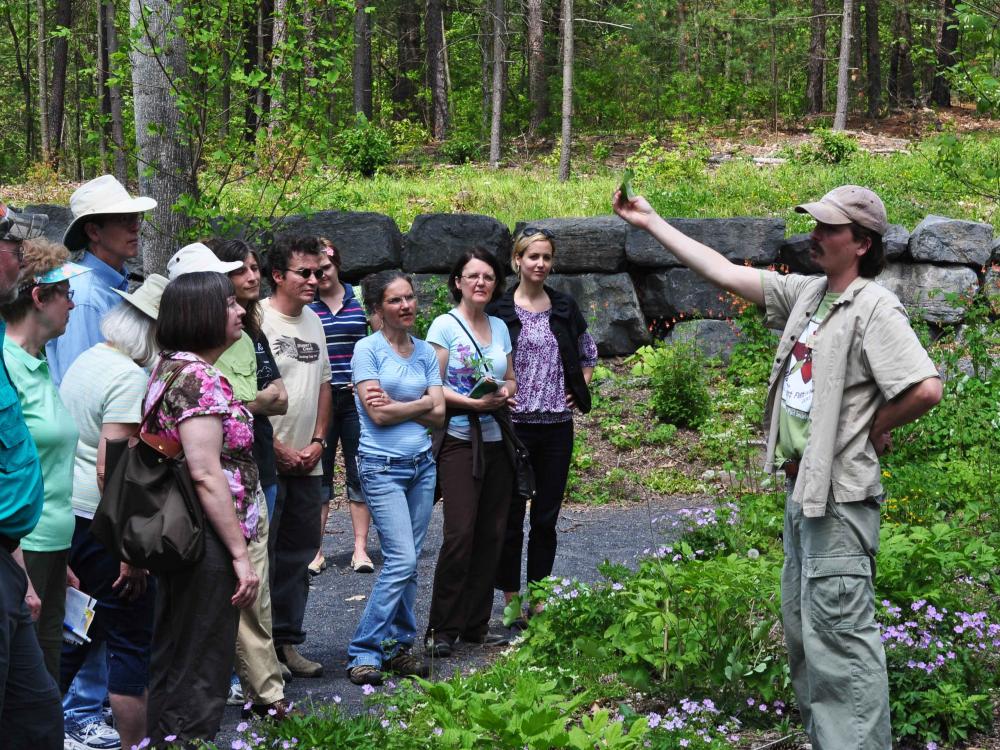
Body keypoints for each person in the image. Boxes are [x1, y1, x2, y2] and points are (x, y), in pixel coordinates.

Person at [613, 185, 943, 750]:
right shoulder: (811, 296)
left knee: (840, 641)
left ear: (861, 243)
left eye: (828, 229)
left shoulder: (874, 306)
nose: (814, 235)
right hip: (805, 492)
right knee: (807, 636)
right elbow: (722, 272)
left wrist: (871, 427)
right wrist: (650, 223)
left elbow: (927, 388)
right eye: (816, 225)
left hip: (838, 499)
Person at [143, 271, 260, 744]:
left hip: (183, 531)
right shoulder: (199, 379)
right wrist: (238, 555)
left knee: (176, 653)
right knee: (202, 661)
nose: (239, 310)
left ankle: (165, 739)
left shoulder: (169, 368)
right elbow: (206, 472)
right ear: (202, 314)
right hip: (206, 537)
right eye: (229, 303)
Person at [59, 276, 167, 750]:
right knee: (127, 639)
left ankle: (33, 727)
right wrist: (131, 551)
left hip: (74, 512)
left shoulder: (93, 357)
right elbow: (113, 469)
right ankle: (133, 745)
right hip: (102, 522)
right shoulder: (128, 376)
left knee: (79, 630)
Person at [487, 228, 597, 623]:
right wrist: (498, 391)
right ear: (517, 261)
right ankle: (511, 597)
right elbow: (485, 358)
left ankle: (540, 596)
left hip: (556, 426)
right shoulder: (499, 311)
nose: (540, 264)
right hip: (515, 427)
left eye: (546, 257)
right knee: (511, 515)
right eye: (532, 256)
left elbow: (589, 352)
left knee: (546, 517)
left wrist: (577, 388)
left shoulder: (564, 307)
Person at [206, 239, 294, 720]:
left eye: (256, 267)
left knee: (257, 583)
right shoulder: (194, 352)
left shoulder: (251, 331)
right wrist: (252, 401)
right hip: (220, 480)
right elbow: (226, 407)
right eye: (241, 270)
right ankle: (260, 692)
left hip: (256, 468)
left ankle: (263, 688)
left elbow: (277, 396)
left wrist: (250, 401)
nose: (252, 277)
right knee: (238, 584)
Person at [346, 271, 444, 686]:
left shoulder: (424, 352)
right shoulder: (366, 350)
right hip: (381, 467)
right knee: (401, 560)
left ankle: (400, 648)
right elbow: (378, 415)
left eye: (410, 298)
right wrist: (420, 402)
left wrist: (403, 403)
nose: (406, 306)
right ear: (378, 309)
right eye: (395, 301)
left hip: (422, 467)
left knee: (410, 564)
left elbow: (440, 415)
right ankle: (364, 650)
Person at [0, 238, 90, 682]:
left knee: (46, 683)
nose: (73, 306)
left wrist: (61, 557)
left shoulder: (37, 365)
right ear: (39, 297)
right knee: (25, 687)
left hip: (51, 550)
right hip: (23, 554)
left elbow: (45, 470)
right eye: (66, 295)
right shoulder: (8, 369)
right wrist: (23, 573)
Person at [424, 249, 517, 657]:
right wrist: (472, 403)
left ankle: (476, 625)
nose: (481, 282)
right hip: (460, 440)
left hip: (499, 440)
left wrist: (504, 392)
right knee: (460, 534)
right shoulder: (444, 325)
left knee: (491, 533)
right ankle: (442, 628)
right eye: (472, 276)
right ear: (458, 281)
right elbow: (433, 385)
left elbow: (510, 377)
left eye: (489, 277)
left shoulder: (499, 326)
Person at [0, 203, 63, 750]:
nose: (17, 256)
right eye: (7, 243)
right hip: (18, 551)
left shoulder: (34, 362)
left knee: (39, 712)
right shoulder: (10, 358)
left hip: (19, 549)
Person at [260, 235, 332, 679]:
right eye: (303, 272)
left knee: (297, 555)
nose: (313, 279)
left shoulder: (315, 322)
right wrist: (277, 449)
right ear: (277, 275)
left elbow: (324, 385)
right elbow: (244, 394)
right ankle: (259, 650)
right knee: (260, 556)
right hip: (268, 460)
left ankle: (288, 643)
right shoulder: (257, 321)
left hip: (310, 460)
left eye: (318, 271)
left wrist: (320, 441)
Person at [45, 175, 156, 386]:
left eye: (135, 218)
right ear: (94, 232)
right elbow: (80, 385)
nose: (135, 227)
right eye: (123, 219)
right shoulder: (83, 297)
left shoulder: (108, 285)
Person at [308, 239, 370, 575]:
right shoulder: (306, 306)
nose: (320, 277)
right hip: (321, 399)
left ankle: (360, 549)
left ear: (337, 266)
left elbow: (377, 342)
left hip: (356, 398)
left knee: (360, 471)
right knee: (320, 472)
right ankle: (316, 551)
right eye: (314, 272)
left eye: (326, 269)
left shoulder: (359, 299)